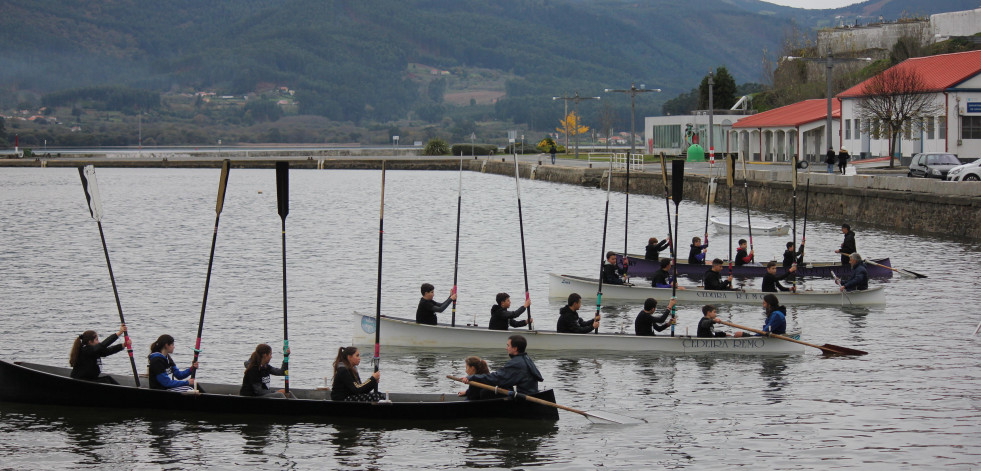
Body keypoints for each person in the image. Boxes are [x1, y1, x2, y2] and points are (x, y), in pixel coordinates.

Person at [462, 335, 543, 394]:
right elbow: (504, 379)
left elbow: (496, 378)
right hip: (530, 393)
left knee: (485, 393)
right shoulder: (526, 358)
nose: (506, 348)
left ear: (515, 348)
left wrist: (473, 377)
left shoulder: (516, 363)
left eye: (508, 346)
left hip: (524, 398)